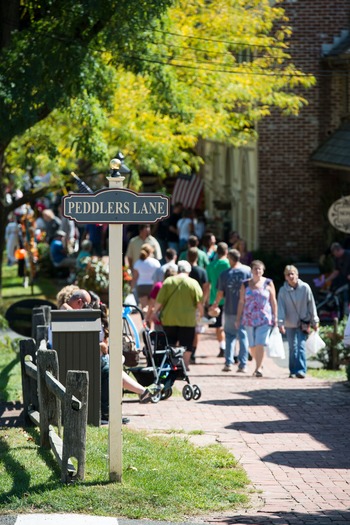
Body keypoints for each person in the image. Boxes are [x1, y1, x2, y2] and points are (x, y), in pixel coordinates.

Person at [152, 260, 203, 370]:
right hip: (187, 320)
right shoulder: (193, 283)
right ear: (188, 271)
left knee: (170, 342)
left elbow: (159, 301)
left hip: (169, 319)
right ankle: (185, 365)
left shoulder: (168, 281)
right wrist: (201, 316)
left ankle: (171, 365)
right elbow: (199, 303)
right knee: (187, 343)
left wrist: (154, 312)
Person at [236, 260, 278, 377]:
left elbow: (273, 301)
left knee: (260, 343)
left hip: (264, 317)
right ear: (251, 270)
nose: (257, 271)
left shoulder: (268, 283)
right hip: (248, 318)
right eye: (255, 269)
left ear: (263, 270)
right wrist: (238, 318)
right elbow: (241, 301)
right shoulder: (245, 284)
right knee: (252, 345)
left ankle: (258, 368)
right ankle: (259, 362)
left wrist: (276, 316)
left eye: (260, 269)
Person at [213, 249, 251, 372]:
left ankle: (229, 363)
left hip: (229, 308)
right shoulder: (247, 271)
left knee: (229, 336)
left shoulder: (225, 274)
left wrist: (215, 304)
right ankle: (243, 364)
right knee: (243, 337)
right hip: (245, 310)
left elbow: (220, 293)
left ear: (230, 258)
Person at [278, 265, 319, 378]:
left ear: (297, 275)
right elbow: (280, 307)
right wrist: (280, 323)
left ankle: (301, 370)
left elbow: (311, 305)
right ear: (285, 277)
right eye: (288, 274)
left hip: (303, 322)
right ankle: (292, 370)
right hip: (289, 323)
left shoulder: (305, 288)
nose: (291, 276)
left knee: (300, 346)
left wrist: (315, 321)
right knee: (292, 347)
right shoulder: (283, 291)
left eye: (292, 273)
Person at [206, 242, 230, 357]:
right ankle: (232, 349)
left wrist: (205, 300)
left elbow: (208, 284)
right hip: (229, 299)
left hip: (214, 299)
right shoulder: (229, 264)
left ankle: (222, 347)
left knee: (218, 326)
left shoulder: (210, 266)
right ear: (226, 252)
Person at [132, 243, 161, 311]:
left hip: (141, 286)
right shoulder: (155, 262)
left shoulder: (138, 263)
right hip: (153, 286)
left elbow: (135, 277)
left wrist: (132, 287)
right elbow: (159, 276)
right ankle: (149, 320)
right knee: (152, 307)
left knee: (144, 307)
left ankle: (144, 320)